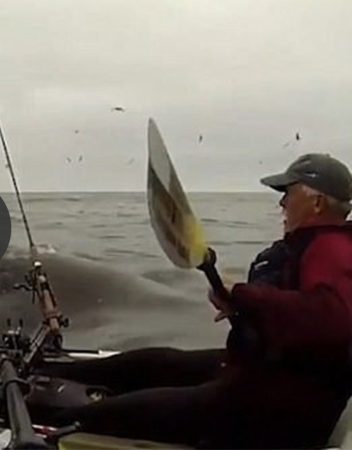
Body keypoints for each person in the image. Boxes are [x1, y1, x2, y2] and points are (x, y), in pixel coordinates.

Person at [40, 153, 352, 448]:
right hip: (261, 374)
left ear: (317, 202)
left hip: (285, 406)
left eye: (289, 192)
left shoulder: (331, 249)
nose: (282, 202)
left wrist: (244, 295)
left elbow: (334, 320)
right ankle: (45, 373)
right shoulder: (311, 246)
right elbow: (298, 317)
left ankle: (45, 425)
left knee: (106, 414)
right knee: (152, 362)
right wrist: (242, 309)